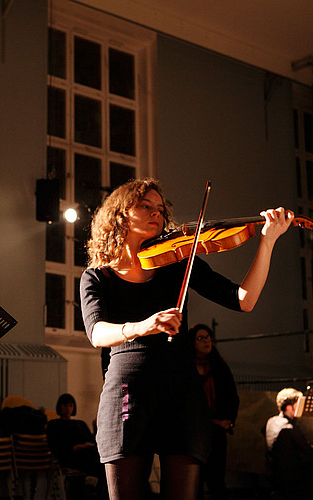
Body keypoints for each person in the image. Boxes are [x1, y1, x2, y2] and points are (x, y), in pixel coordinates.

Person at [79, 178, 293, 500]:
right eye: (146, 206)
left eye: (161, 210)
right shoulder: (98, 276)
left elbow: (243, 300)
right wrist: (142, 326)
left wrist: (268, 241)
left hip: (181, 394)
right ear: (120, 215)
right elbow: (97, 333)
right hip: (128, 395)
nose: (157, 214)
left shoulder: (179, 263)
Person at [188, 323, 239, 500]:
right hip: (193, 433)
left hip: (216, 430)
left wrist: (228, 421)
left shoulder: (219, 367)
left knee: (217, 480)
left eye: (208, 337)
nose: (206, 341)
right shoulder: (185, 368)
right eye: (200, 338)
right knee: (194, 482)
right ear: (191, 342)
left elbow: (232, 396)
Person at [46, 393, 107, 499]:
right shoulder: (54, 425)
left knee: (101, 459)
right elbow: (55, 446)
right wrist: (75, 447)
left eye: (70, 405)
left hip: (88, 453)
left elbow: (91, 440)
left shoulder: (80, 423)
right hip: (70, 456)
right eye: (65, 405)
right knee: (98, 461)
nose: (68, 408)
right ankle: (93, 488)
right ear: (59, 406)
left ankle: (95, 489)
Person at [264, 388, 313, 499]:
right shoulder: (288, 427)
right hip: (290, 480)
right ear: (289, 407)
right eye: (298, 404)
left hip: (273, 476)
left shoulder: (271, 421)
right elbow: (310, 451)